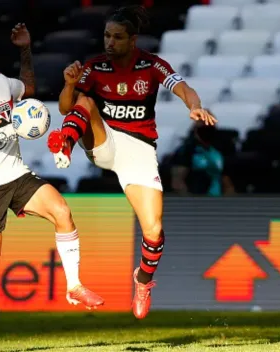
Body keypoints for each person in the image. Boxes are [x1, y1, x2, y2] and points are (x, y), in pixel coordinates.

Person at [47, 6, 218, 319]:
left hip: (138, 150)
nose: (110, 42)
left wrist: (194, 107)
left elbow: (184, 88)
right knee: (84, 102)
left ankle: (142, 281)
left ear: (132, 39)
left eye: (117, 37)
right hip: (106, 139)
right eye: (107, 35)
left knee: (153, 231)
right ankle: (64, 146)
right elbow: (66, 107)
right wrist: (70, 84)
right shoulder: (94, 66)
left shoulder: (151, 65)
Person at [0, 24, 104, 352]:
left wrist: (25, 49)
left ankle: (74, 286)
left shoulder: (2, 82)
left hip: (17, 175)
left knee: (62, 210)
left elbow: (28, 88)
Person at [171, 121, 235, 196]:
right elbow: (178, 182)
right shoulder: (185, 151)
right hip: (195, 197)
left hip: (218, 198)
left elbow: (227, 180)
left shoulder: (220, 151)